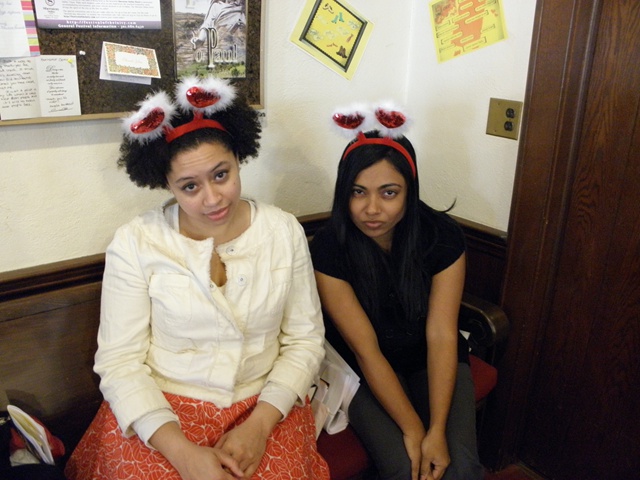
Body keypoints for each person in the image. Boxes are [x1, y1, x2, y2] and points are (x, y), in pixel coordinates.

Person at [64, 76, 329, 480]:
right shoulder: (136, 242)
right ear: (167, 184)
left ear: (238, 158)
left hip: (264, 404)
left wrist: (259, 426)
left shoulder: (282, 231)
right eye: (190, 186)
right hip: (160, 412)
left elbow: (305, 341)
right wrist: (183, 454)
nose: (212, 198)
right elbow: (119, 361)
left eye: (221, 175)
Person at [309, 104, 484, 480]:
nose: (371, 209)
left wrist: (436, 430)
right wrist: (415, 430)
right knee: (406, 467)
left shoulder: (441, 237)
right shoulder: (328, 247)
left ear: (409, 190)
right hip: (361, 366)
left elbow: (441, 334)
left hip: (429, 354)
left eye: (389, 193)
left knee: (460, 466)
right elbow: (365, 349)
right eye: (358, 192)